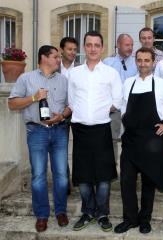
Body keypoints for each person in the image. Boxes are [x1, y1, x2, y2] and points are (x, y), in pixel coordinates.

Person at [8, 45, 71, 232]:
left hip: (59, 130)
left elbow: (70, 106)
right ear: (44, 58)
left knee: (61, 175)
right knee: (38, 176)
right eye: (56, 57)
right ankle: (42, 215)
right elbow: (12, 103)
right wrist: (34, 97)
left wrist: (62, 116)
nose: (59, 60)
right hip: (37, 131)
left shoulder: (64, 80)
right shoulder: (26, 78)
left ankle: (61, 212)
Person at [114, 47, 163, 234]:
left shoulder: (162, 84)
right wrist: (126, 119)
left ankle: (145, 219)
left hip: (151, 141)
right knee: (127, 182)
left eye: (146, 60)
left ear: (153, 62)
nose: (142, 64)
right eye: (139, 60)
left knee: (149, 183)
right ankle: (130, 219)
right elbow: (123, 106)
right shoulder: (128, 83)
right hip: (131, 141)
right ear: (136, 61)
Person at [68, 31, 122, 232]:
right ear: (84, 47)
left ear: (102, 48)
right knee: (83, 177)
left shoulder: (111, 73)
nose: (92, 49)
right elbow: (72, 101)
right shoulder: (74, 73)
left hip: (102, 129)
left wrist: (99, 111)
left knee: (103, 176)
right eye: (89, 45)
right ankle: (88, 211)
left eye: (96, 45)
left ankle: (102, 213)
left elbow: (117, 100)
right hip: (80, 130)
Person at [103, 33, 137, 171]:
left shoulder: (137, 62)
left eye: (131, 45)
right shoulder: (107, 63)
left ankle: (131, 169)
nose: (130, 48)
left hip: (132, 107)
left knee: (132, 139)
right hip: (114, 108)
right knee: (112, 139)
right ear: (118, 45)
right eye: (127, 45)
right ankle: (112, 168)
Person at [58, 36, 79, 195]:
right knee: (61, 149)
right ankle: (64, 184)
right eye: (69, 49)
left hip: (78, 113)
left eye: (74, 49)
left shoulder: (80, 69)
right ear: (61, 50)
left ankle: (81, 180)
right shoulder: (53, 68)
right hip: (60, 114)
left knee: (80, 149)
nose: (73, 52)